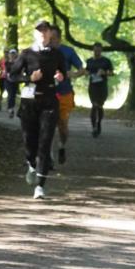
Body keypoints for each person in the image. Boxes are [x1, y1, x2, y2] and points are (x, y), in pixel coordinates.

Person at [9, 20, 68, 199]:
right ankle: (31, 164)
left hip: (49, 101)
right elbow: (12, 76)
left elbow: (63, 74)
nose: (43, 33)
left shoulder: (57, 54)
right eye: (39, 30)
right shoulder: (26, 54)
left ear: (51, 34)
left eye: (46, 30)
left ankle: (40, 187)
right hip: (29, 102)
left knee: (45, 143)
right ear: (35, 34)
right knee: (30, 143)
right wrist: (29, 77)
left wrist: (60, 76)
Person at [48, 25, 85, 165]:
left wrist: (73, 74)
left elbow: (82, 69)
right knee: (48, 125)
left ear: (59, 38)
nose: (51, 41)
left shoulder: (68, 52)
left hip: (65, 93)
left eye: (54, 38)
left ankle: (62, 146)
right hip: (48, 93)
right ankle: (49, 157)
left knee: (62, 126)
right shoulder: (44, 51)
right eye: (49, 38)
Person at [85, 42, 115, 137]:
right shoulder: (89, 61)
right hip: (93, 86)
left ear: (101, 50)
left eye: (98, 50)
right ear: (93, 50)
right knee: (94, 105)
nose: (97, 51)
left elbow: (112, 73)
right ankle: (94, 127)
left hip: (102, 86)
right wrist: (86, 73)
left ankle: (99, 123)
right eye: (95, 50)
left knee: (100, 106)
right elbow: (86, 71)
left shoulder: (106, 61)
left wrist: (104, 73)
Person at [4, 48, 20, 118]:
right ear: (9, 55)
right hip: (8, 81)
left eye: (14, 53)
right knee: (10, 94)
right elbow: (6, 71)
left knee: (13, 95)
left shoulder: (18, 62)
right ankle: (10, 109)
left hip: (15, 81)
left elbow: (20, 71)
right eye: (11, 54)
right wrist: (9, 77)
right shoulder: (7, 62)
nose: (12, 55)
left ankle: (11, 108)